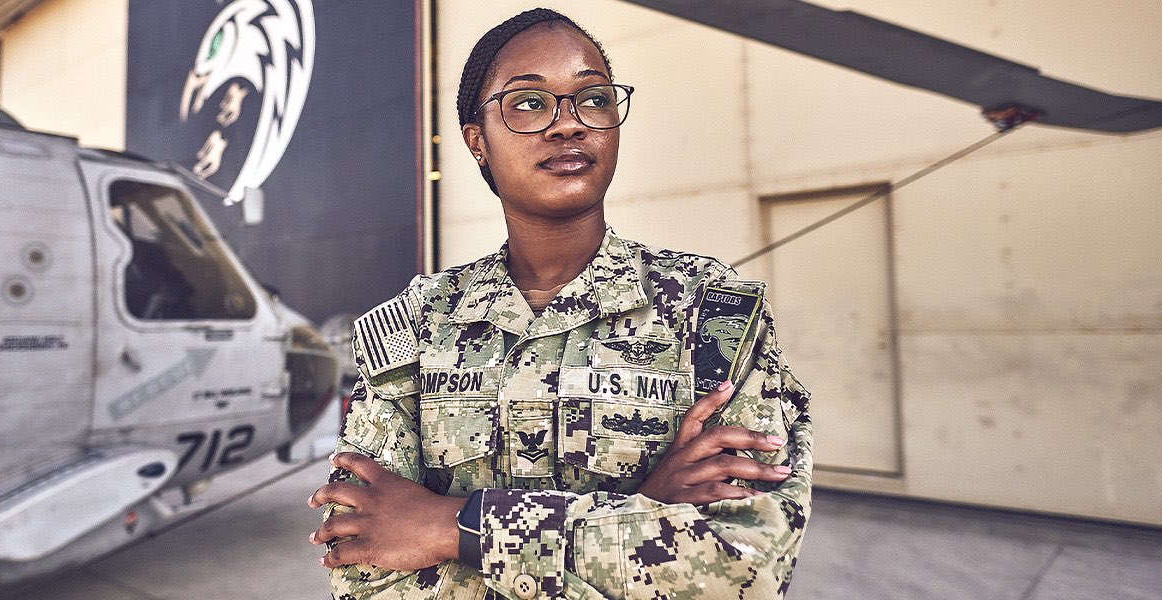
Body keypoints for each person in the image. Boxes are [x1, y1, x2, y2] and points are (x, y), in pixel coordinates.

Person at [308, 8, 813, 599]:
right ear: (477, 141)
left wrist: (455, 526)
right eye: (528, 103)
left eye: (592, 98)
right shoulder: (417, 325)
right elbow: (361, 560)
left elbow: (742, 567)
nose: (567, 124)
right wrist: (641, 515)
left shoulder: (713, 313)